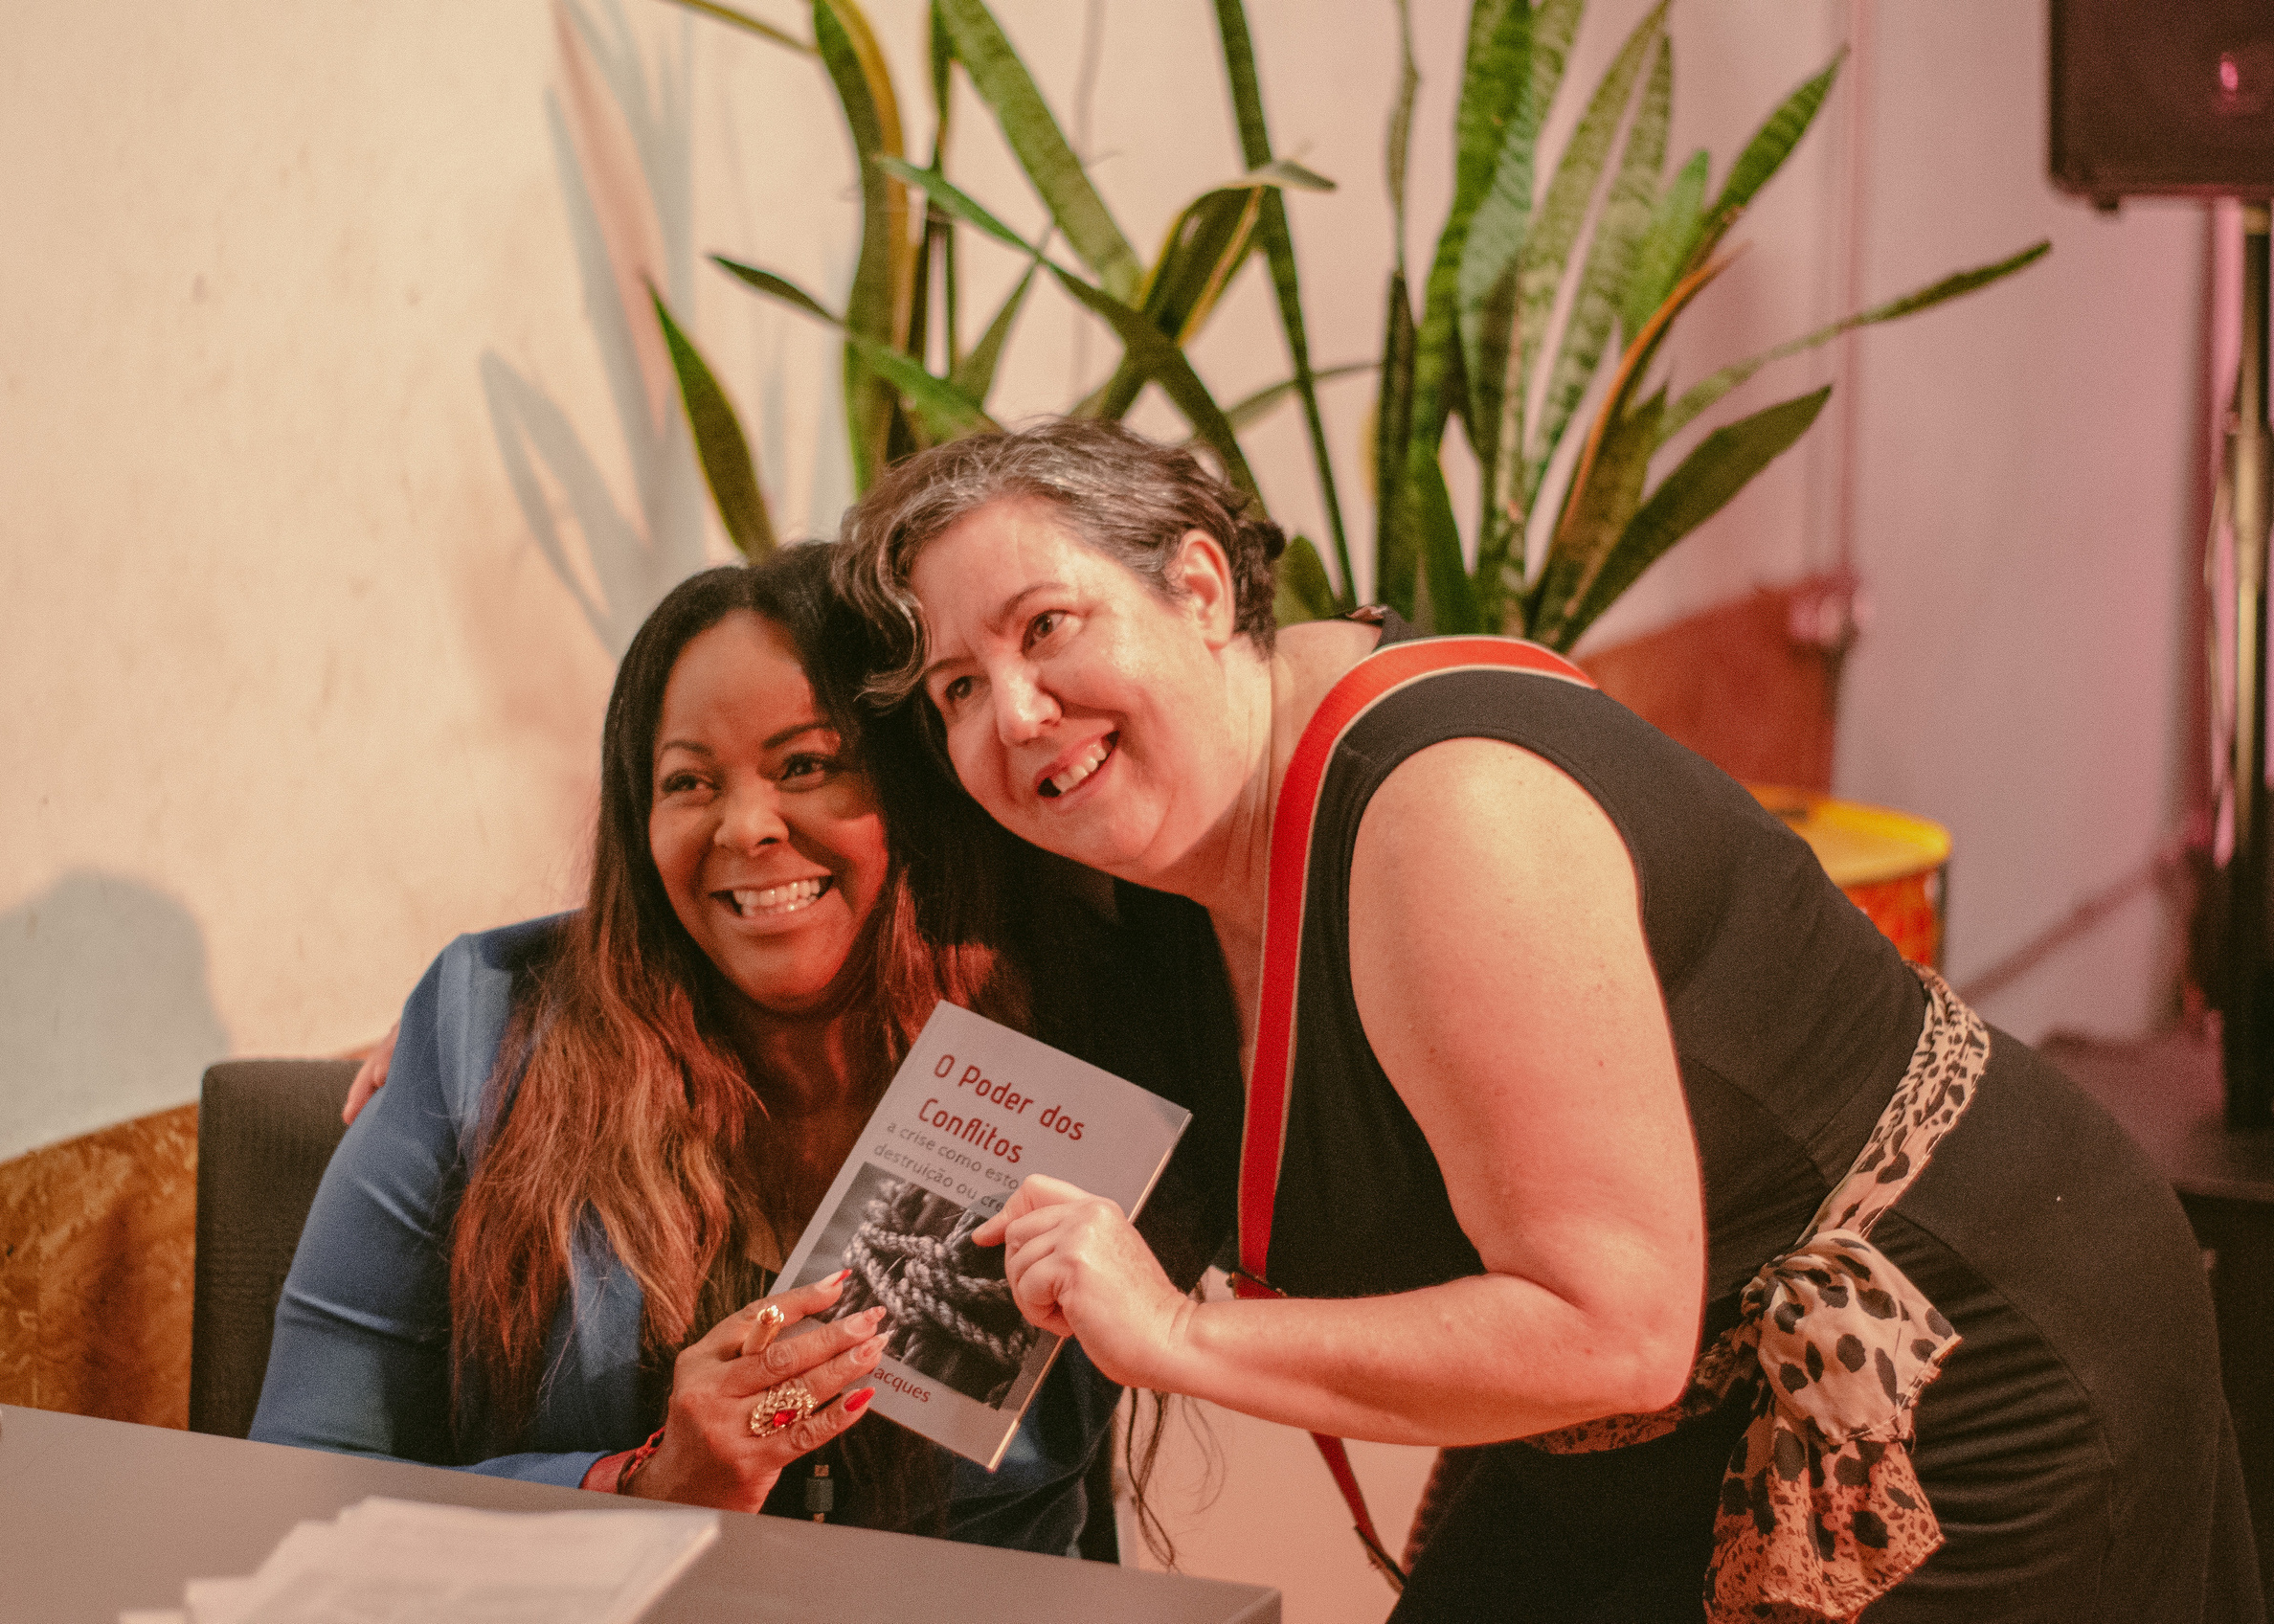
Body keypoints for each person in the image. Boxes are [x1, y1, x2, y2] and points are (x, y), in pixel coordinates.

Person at [832, 417, 2264, 1620]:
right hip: (1652, 1415)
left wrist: (1172, 1337)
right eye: (960, 687)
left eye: (1048, 627)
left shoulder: (1447, 817)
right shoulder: (1162, 864)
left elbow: (1611, 1327)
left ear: (1200, 586)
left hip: (1955, 1362)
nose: (1014, 714)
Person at [250, 544, 1232, 1549]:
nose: (747, 825)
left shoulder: (1082, 1027)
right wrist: (644, 1485)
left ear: (914, 790)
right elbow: (304, 1473)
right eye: (689, 781)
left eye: (806, 764)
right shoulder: (486, 1029)